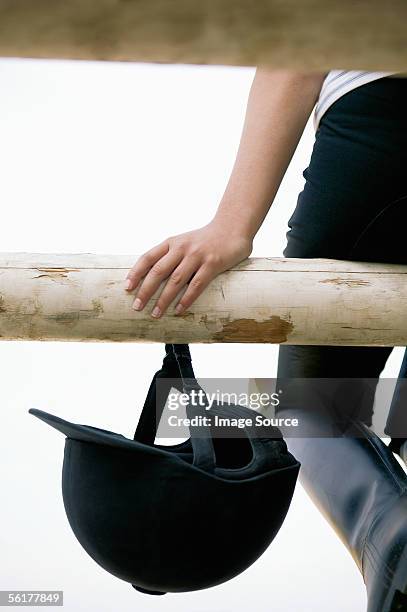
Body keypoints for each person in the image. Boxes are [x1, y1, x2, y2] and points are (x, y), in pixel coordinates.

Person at [124, 69, 407, 611]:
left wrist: (232, 224)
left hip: (381, 137)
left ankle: (393, 540)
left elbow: (294, 52)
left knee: (311, 406)